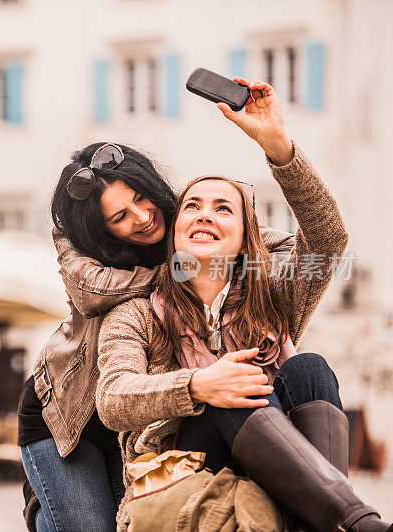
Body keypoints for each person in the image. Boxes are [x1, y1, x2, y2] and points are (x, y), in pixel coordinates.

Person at [96, 80, 391, 531]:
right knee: (232, 384)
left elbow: (328, 240)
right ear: (175, 232)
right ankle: (356, 521)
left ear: (244, 239)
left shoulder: (273, 291)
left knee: (308, 368)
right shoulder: (136, 311)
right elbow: (112, 399)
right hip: (186, 470)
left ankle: (328, 520)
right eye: (192, 206)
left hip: (279, 456)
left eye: (223, 208)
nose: (205, 214)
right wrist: (198, 385)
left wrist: (276, 144)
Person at [17, 123, 294, 529]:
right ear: (101, 228)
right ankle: (48, 510)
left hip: (138, 411)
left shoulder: (186, 216)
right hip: (67, 414)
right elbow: (89, 292)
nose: (144, 217)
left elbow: (283, 249)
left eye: (141, 198)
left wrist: (211, 260)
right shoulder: (79, 241)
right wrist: (183, 271)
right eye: (120, 216)